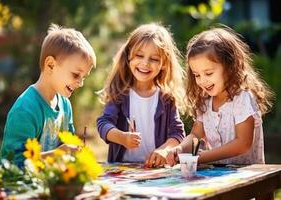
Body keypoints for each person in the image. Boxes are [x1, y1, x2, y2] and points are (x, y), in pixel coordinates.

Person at [166, 26, 274, 166]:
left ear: (229, 67)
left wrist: (203, 157)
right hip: (219, 176)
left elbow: (243, 143)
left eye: (208, 73)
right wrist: (180, 148)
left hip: (247, 177)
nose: (202, 80)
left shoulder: (242, 99)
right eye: (197, 75)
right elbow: (195, 135)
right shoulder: (205, 101)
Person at [0, 24, 96, 167]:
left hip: (50, 185)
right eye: (76, 75)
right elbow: (15, 162)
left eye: (83, 77)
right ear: (50, 65)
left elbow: (68, 143)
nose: (80, 83)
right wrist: (58, 154)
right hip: (17, 186)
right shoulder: (26, 109)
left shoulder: (65, 105)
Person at [97, 23, 186, 168]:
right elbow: (103, 124)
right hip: (122, 170)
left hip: (156, 171)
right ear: (129, 56)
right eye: (139, 55)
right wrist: (122, 138)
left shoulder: (167, 98)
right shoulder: (120, 94)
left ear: (164, 63)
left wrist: (164, 150)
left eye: (154, 59)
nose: (145, 63)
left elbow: (177, 134)